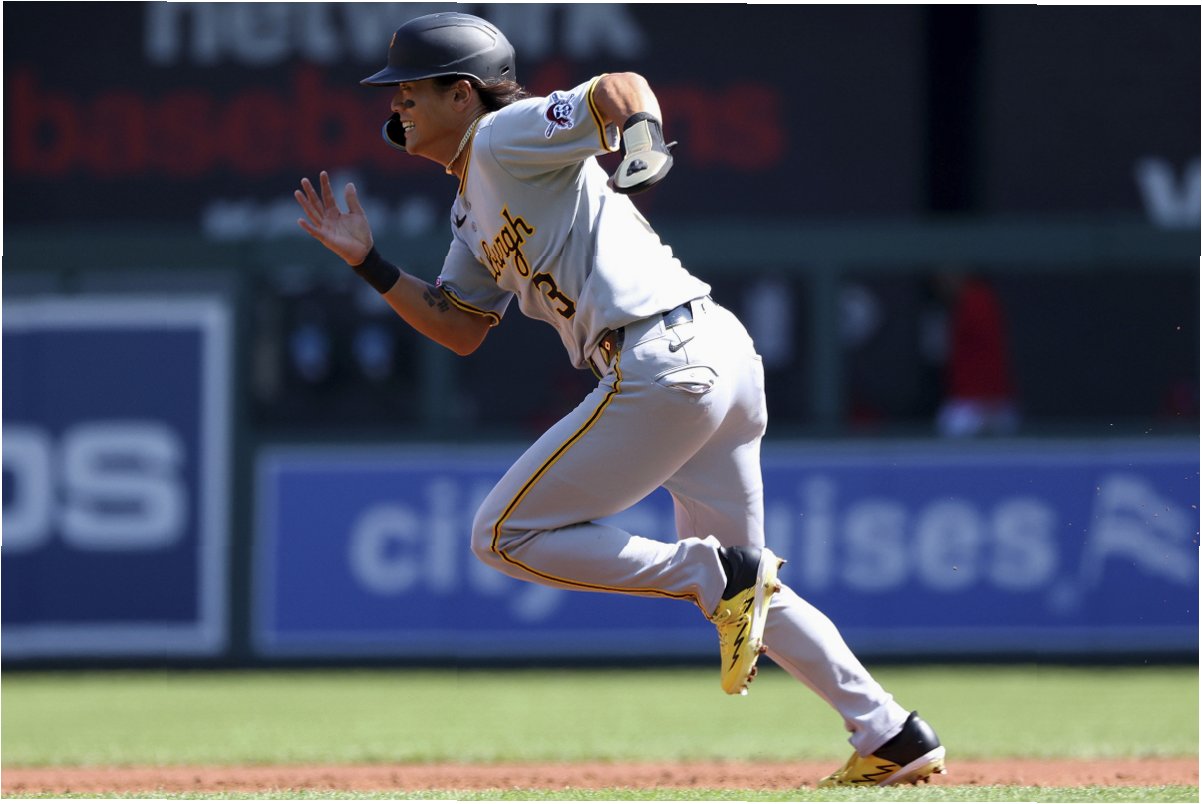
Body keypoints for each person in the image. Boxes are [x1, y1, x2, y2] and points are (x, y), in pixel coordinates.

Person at [294, 12, 946, 787]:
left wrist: (643, 139)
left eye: (410, 89)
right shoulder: (469, 207)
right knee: (750, 591)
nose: (396, 103)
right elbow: (458, 326)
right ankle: (890, 732)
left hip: (662, 356)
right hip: (711, 355)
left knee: (502, 535)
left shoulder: (502, 136)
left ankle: (710, 574)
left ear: (462, 94)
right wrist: (369, 263)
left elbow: (616, 86)